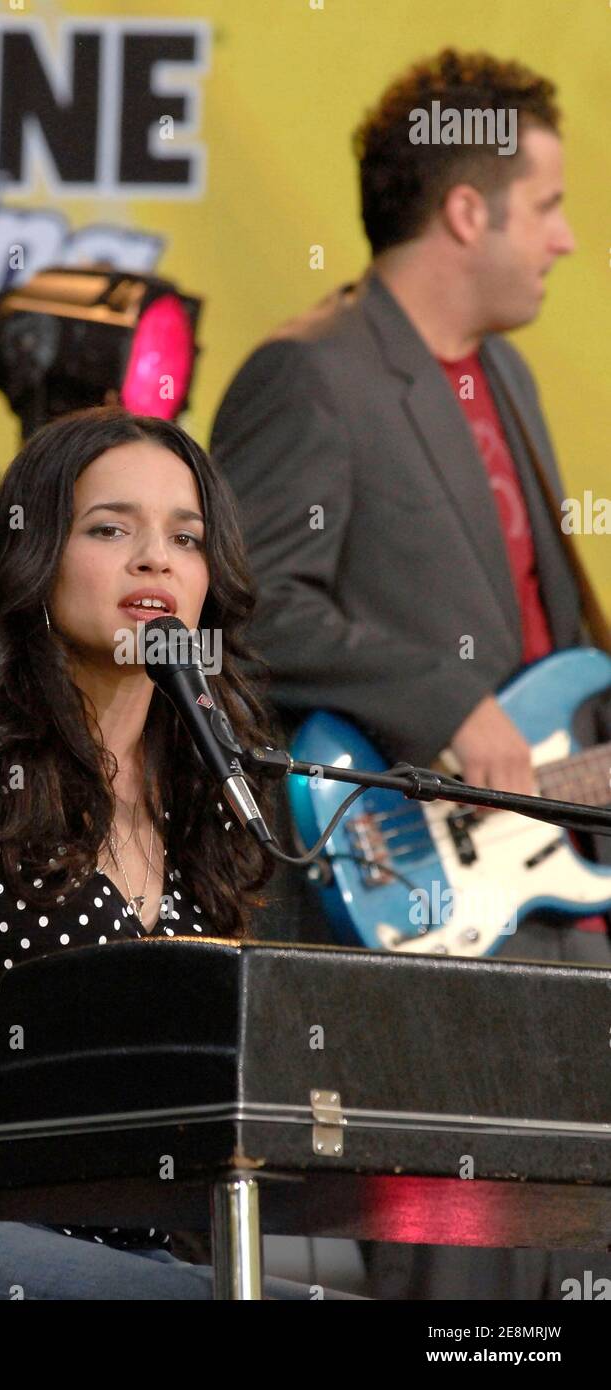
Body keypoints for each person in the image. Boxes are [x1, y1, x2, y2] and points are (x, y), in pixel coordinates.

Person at [0, 404, 363, 1300]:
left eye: (185, 537)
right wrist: (131, 1111)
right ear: (37, 556)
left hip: (135, 1248)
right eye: (109, 529)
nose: (155, 559)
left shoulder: (203, 786)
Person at [209, 49, 611, 1298]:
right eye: (546, 205)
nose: (568, 238)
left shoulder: (508, 373)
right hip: (409, 902)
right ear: (467, 210)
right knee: (460, 1275)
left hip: (544, 898)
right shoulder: (313, 372)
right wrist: (444, 703)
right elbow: (239, 602)